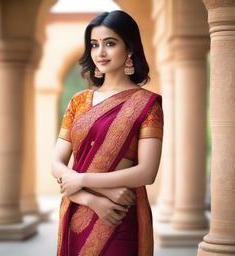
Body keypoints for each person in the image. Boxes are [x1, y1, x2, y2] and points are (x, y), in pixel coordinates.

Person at [51, 10, 164, 256]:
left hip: (119, 215)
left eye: (110, 43)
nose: (100, 53)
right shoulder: (78, 101)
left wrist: (81, 180)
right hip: (77, 212)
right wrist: (92, 198)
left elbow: (147, 172)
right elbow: (56, 163)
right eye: (94, 45)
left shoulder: (147, 104)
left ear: (129, 50)